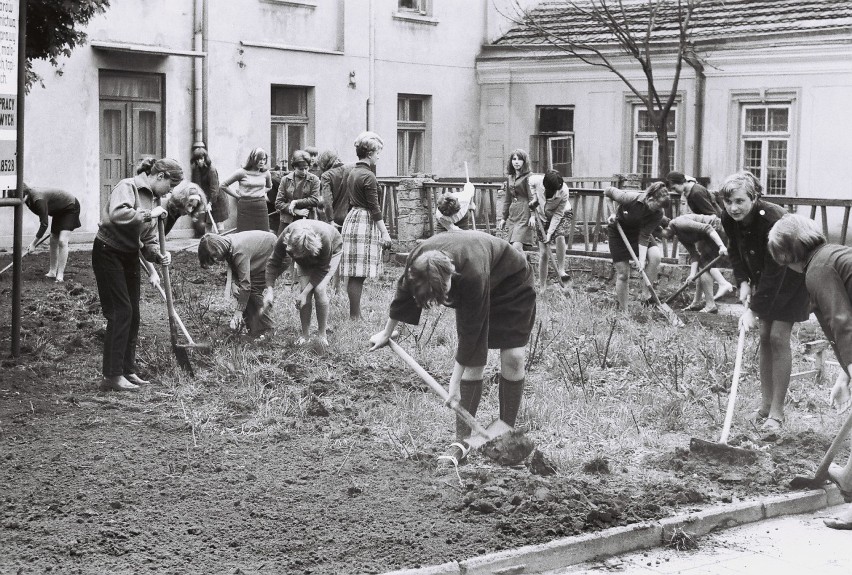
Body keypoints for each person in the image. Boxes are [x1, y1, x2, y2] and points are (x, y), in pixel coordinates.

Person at [369, 231, 536, 464]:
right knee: (474, 363)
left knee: (514, 357)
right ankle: (462, 442)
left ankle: (507, 434)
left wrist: (454, 384)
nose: (445, 297)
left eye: (445, 289)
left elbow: (471, 335)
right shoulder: (417, 263)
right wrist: (387, 333)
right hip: (474, 280)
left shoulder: (471, 274)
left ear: (451, 273)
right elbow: (403, 294)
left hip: (511, 282)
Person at [767, 213, 852, 529]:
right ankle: (848, 477)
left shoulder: (818, 270)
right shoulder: (835, 254)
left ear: (787, 254)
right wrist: (845, 375)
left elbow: (841, 321)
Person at [720, 170, 809, 431]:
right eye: (729, 202)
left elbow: (777, 267)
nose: (733, 207)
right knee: (764, 337)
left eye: (740, 201)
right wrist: (744, 282)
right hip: (765, 277)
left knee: (778, 337)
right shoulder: (729, 217)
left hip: (792, 275)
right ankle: (764, 406)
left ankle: (777, 414)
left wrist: (754, 309)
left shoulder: (773, 218)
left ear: (755, 197)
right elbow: (735, 249)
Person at [92, 157, 181, 392]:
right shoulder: (127, 186)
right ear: (160, 176)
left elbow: (147, 240)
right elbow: (117, 214)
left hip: (129, 254)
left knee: (134, 314)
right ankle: (111, 376)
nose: (170, 192)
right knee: (120, 312)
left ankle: (127, 370)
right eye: (170, 186)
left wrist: (158, 255)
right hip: (108, 251)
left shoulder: (155, 199)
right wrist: (149, 215)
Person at [264, 219, 342, 348]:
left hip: (332, 251)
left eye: (297, 254)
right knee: (303, 289)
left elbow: (323, 268)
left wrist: (305, 293)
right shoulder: (287, 235)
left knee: (319, 290)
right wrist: (270, 290)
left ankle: (322, 335)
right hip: (307, 255)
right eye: (292, 253)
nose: (293, 256)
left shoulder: (324, 238)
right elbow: (273, 262)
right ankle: (305, 336)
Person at [340, 131, 393, 320]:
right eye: (378, 152)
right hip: (364, 220)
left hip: (353, 219)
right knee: (358, 273)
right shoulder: (368, 176)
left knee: (355, 272)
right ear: (369, 153)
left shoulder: (353, 171)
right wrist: (385, 234)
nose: (379, 156)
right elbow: (375, 208)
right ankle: (355, 315)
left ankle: (355, 314)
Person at [666, 171, 734, 300]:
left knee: (705, 264)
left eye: (674, 188)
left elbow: (712, 214)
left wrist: (714, 239)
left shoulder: (696, 193)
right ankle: (699, 300)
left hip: (716, 228)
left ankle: (723, 284)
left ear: (681, 183)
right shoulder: (692, 191)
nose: (676, 191)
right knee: (703, 264)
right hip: (710, 229)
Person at [198, 230, 277, 338]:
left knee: (251, 290)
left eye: (215, 256)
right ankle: (253, 328)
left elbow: (246, 285)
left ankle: (267, 329)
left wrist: (238, 312)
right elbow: (233, 263)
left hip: (274, 253)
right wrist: (233, 283)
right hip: (260, 254)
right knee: (242, 292)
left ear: (219, 247)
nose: (216, 260)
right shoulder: (227, 243)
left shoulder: (239, 251)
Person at [604, 182, 670, 310]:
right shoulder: (629, 198)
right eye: (657, 206)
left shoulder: (658, 213)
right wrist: (612, 213)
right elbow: (608, 192)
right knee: (623, 274)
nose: (658, 210)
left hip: (639, 233)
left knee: (655, 256)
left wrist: (641, 260)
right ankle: (624, 311)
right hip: (619, 232)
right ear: (650, 199)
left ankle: (645, 297)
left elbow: (644, 235)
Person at [664, 213, 729, 313]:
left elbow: (708, 228)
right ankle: (696, 302)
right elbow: (694, 255)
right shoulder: (679, 235)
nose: (661, 237)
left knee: (704, 266)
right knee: (702, 265)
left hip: (717, 229)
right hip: (710, 235)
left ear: (665, 227)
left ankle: (712, 302)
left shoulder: (680, 223)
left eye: (661, 233)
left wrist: (721, 246)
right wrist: (692, 275)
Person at [22, 184, 82, 283]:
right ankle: (52, 271)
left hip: (70, 207)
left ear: (24, 194)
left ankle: (60, 275)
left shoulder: (38, 199)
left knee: (62, 241)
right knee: (53, 239)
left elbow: (44, 224)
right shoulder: (28, 199)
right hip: (58, 210)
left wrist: (33, 244)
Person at [529, 169, 572, 289]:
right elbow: (530, 181)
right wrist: (535, 198)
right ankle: (542, 287)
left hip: (562, 214)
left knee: (560, 235)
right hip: (542, 216)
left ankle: (561, 270)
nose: (556, 193)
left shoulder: (564, 191)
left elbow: (558, 214)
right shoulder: (537, 180)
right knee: (543, 254)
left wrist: (549, 234)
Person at [220, 147, 273, 232]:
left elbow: (269, 186)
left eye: (264, 159)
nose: (262, 162)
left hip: (261, 207)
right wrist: (237, 196)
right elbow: (223, 185)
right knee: (244, 234)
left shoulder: (266, 173)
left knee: (263, 233)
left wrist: (260, 192)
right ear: (252, 159)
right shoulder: (242, 172)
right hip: (245, 207)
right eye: (259, 159)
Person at [275, 149, 321, 234]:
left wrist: (295, 202)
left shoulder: (314, 180)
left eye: (306, 168)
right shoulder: (285, 180)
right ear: (294, 167)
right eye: (300, 169)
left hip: (308, 220)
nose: (304, 171)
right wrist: (295, 211)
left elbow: (315, 200)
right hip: (287, 221)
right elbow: (278, 203)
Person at [497, 149, 534, 253]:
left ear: (524, 161)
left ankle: (524, 268)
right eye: (514, 159)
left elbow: (532, 197)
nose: (516, 162)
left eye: (519, 159)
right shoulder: (510, 177)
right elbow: (507, 199)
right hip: (514, 214)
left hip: (525, 212)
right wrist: (504, 218)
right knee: (511, 247)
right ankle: (525, 267)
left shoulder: (528, 176)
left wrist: (533, 215)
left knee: (517, 246)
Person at [190, 146, 225, 231]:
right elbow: (197, 187)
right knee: (208, 224)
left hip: (217, 199)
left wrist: (210, 203)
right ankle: (207, 243)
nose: (199, 161)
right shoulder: (197, 170)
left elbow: (214, 189)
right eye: (197, 160)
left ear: (205, 158)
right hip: (207, 199)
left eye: (201, 158)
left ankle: (222, 242)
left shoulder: (211, 170)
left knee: (219, 223)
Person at [319, 149, 353, 229]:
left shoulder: (326, 175)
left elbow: (327, 200)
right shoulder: (351, 168)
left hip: (336, 219)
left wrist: (330, 220)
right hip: (352, 215)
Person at [267, 158, 288, 233]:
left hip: (276, 209)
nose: (280, 173)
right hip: (274, 209)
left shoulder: (276, 180)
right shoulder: (273, 179)